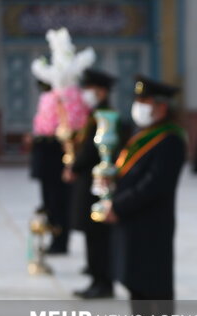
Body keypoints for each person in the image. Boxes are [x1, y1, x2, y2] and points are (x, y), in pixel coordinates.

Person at [102, 75, 186, 316]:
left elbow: (155, 184)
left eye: (145, 102)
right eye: (138, 101)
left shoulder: (170, 139)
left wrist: (119, 206)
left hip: (153, 223)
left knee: (155, 285)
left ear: (161, 107)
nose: (139, 107)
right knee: (135, 282)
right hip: (130, 220)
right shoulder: (141, 135)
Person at [63, 68, 119, 298]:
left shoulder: (105, 116)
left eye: (90, 89)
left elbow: (92, 151)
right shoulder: (96, 113)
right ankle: (97, 276)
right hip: (90, 182)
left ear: (102, 91)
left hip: (95, 183)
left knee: (98, 235)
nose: (86, 93)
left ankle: (102, 281)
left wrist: (74, 167)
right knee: (93, 234)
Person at [30, 80, 72, 254]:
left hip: (56, 166)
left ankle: (60, 241)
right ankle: (54, 237)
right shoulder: (45, 103)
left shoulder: (63, 104)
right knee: (49, 205)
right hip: (46, 167)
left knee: (58, 204)